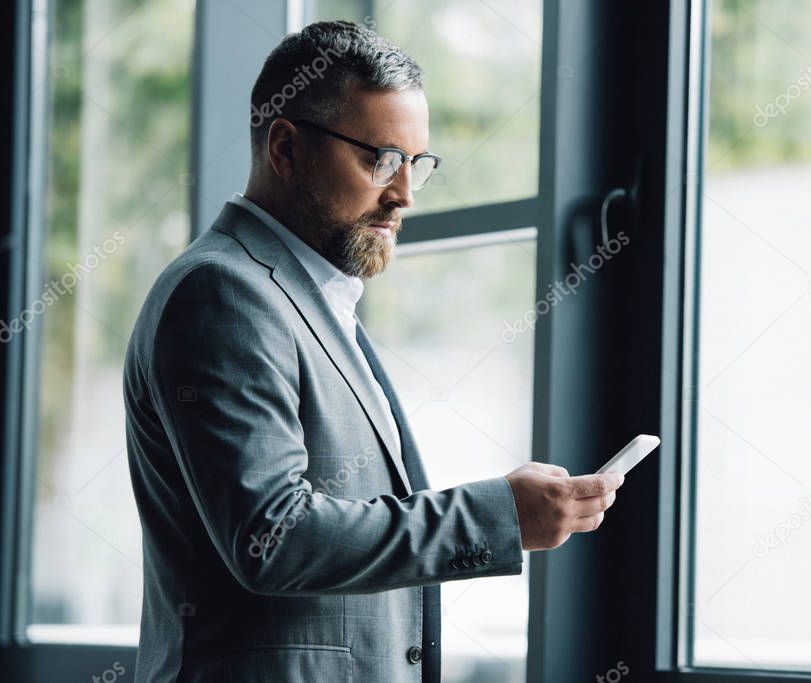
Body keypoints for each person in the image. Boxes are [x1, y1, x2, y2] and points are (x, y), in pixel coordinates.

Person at [123, 20, 624, 683]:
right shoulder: (222, 293)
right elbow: (273, 536)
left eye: (417, 163)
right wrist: (499, 514)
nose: (404, 194)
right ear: (285, 148)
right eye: (380, 158)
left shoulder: (312, 297)